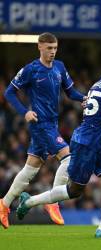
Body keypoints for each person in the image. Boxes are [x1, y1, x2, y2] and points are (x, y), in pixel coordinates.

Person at [16, 55, 101, 238]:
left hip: (97, 140)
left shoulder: (99, 84)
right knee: (74, 190)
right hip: (87, 142)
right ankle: (28, 201)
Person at [0, 32, 85, 229]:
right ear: (39, 47)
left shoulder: (59, 67)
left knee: (31, 168)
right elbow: (9, 92)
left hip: (52, 123)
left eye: (55, 48)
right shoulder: (31, 69)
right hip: (40, 124)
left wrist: (84, 98)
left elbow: (70, 91)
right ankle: (52, 202)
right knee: (68, 158)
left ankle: (4, 204)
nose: (53, 52)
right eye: (49, 48)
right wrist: (24, 112)